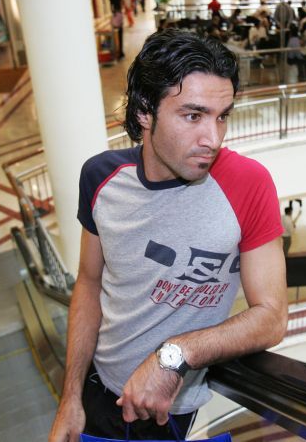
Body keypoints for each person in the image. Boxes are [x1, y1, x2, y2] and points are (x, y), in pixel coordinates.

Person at [49, 29, 287, 442]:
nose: (213, 139)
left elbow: (271, 316)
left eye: (222, 116)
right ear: (145, 111)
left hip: (168, 413)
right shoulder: (101, 178)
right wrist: (69, 398)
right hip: (97, 393)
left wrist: (174, 355)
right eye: (193, 116)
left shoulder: (248, 184)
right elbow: (88, 283)